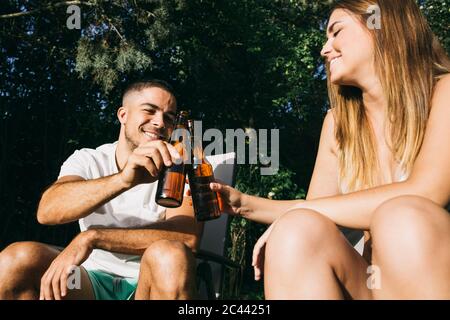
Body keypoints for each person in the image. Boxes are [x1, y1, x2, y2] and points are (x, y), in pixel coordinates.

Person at [210, 0, 450, 299]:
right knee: (297, 231)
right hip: (370, 283)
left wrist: (254, 206)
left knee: (403, 215)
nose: (325, 49)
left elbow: (426, 192)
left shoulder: (445, 92)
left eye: (336, 32)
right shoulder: (338, 124)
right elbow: (314, 217)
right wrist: (286, 221)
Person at [0, 80, 202, 300]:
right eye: (149, 111)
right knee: (15, 260)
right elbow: (47, 211)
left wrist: (92, 237)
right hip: (85, 281)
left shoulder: (183, 166)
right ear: (123, 115)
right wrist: (124, 180)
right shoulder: (88, 159)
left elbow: (187, 237)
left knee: (170, 256)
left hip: (148, 284)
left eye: (169, 117)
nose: (159, 122)